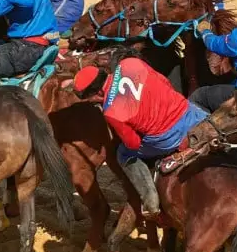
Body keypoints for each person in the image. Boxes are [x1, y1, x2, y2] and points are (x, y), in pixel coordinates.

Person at [72, 52, 208, 217]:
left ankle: (150, 200)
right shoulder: (130, 64)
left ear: (97, 94)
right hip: (189, 114)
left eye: (90, 99)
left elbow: (133, 143)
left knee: (123, 153)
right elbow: (165, 82)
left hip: (168, 138)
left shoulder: (111, 112)